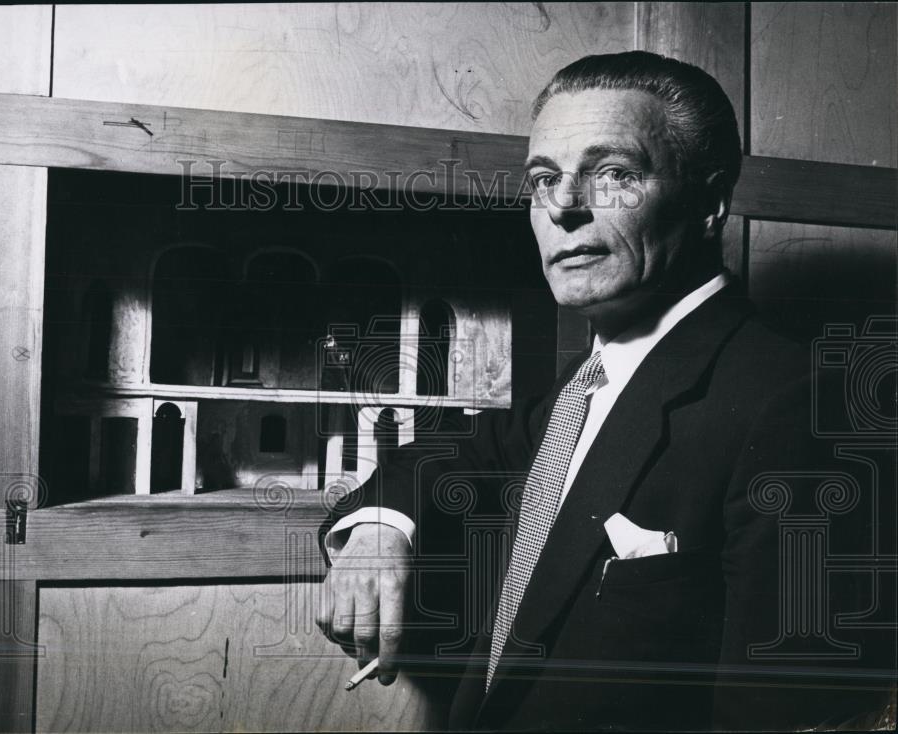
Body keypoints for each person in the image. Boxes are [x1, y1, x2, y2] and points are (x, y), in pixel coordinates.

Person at [316, 51, 892, 730]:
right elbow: (457, 452)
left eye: (614, 174)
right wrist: (382, 532)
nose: (563, 207)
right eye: (543, 178)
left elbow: (783, 711)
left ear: (709, 203)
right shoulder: (584, 387)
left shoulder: (799, 402)